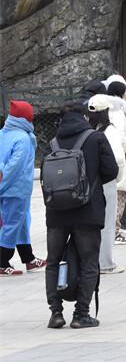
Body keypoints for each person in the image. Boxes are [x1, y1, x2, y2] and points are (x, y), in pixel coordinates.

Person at [42, 103, 118, 328]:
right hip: (87, 211)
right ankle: (81, 314)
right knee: (88, 261)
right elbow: (111, 171)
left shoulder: (53, 143)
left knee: (53, 261)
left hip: (56, 213)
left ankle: (56, 313)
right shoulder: (96, 138)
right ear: (85, 117)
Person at [0, 100, 43, 275]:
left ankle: (29, 258)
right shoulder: (24, 139)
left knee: (21, 222)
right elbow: (14, 168)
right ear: (26, 118)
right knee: (11, 224)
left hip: (7, 188)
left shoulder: (2, 133)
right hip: (15, 189)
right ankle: (2, 261)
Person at [84, 96, 126, 275]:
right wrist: (117, 179)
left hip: (88, 181)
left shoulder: (86, 131)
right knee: (107, 223)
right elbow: (118, 160)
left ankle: (91, 260)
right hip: (106, 182)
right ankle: (106, 263)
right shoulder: (110, 131)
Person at [98, 76, 126, 249]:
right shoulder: (119, 113)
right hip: (119, 158)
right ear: (121, 94)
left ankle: (111, 231)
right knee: (119, 195)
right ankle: (115, 231)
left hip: (108, 157)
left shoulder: (106, 110)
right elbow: (120, 136)